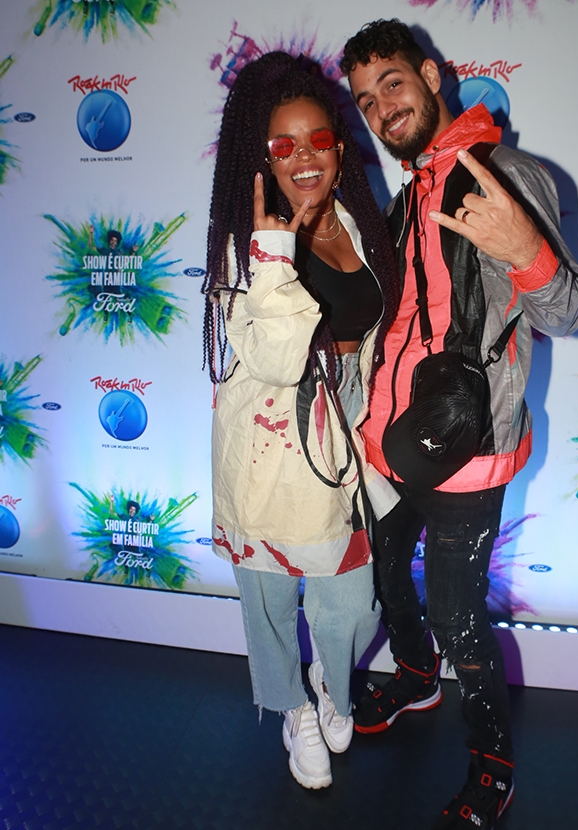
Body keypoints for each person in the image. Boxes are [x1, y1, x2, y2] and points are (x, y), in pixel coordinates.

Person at [339, 19, 578, 829]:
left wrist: (524, 248)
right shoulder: (407, 193)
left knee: (456, 615)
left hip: (467, 452)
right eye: (365, 100)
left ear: (432, 76)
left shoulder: (505, 176)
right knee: (382, 572)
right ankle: (416, 678)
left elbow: (569, 310)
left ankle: (492, 764)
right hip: (389, 441)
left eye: (393, 84)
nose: (382, 108)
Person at [203, 51, 401, 791]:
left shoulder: (355, 221)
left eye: (318, 139)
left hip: (342, 436)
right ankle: (293, 708)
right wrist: (273, 254)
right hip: (270, 442)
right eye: (283, 145)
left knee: (352, 602)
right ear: (262, 156)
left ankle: (331, 686)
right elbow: (280, 361)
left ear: (339, 147)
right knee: (269, 598)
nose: (305, 157)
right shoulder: (243, 244)